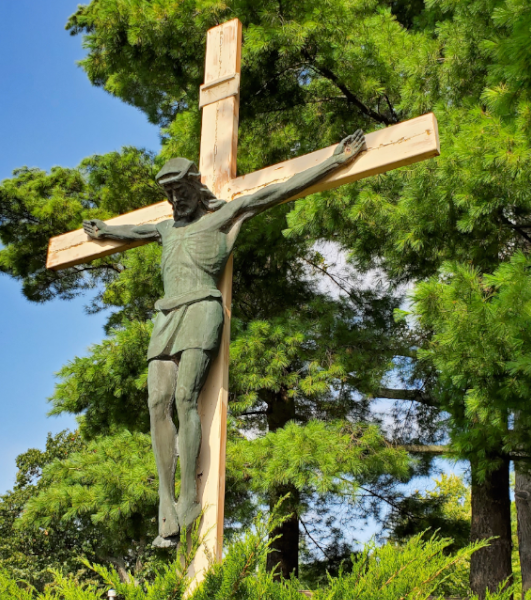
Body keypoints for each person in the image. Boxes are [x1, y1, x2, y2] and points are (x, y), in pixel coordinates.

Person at [83, 129, 366, 546]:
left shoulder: (222, 215)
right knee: (156, 402)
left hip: (201, 308)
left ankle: (190, 495)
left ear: (197, 188)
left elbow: (280, 190)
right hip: (166, 315)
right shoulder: (164, 231)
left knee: (184, 398)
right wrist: (105, 229)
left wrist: (334, 162)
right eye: (170, 194)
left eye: (181, 190)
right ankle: (167, 505)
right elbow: (130, 232)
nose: (176, 200)